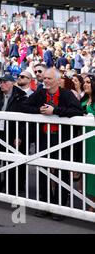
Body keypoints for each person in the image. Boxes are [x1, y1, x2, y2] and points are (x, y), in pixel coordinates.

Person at [21, 68, 84, 220]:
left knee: (62, 172)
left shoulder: (66, 94)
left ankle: (60, 207)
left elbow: (77, 111)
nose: (45, 81)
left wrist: (55, 111)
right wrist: (39, 110)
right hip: (44, 138)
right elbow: (24, 106)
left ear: (57, 80)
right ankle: (45, 205)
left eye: (49, 78)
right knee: (43, 171)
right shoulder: (41, 93)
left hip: (62, 139)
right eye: (45, 78)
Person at [81, 74, 95, 212]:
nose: (85, 84)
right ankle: (90, 202)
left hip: (94, 141)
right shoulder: (83, 100)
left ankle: (92, 206)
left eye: (88, 82)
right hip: (84, 140)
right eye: (84, 82)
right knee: (87, 172)